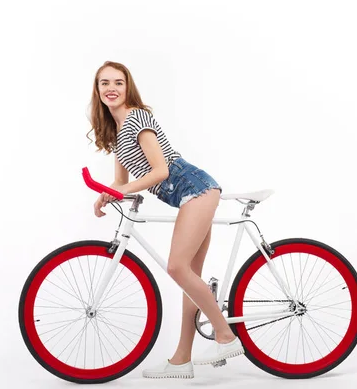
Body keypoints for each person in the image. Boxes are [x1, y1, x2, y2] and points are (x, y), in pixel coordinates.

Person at [86, 61, 244, 379]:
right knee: (190, 281)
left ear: (128, 86)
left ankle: (225, 335)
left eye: (118, 82)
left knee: (176, 268)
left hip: (195, 188)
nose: (111, 88)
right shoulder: (117, 131)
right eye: (105, 83)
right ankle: (181, 360)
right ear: (98, 89)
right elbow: (121, 181)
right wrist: (106, 193)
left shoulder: (137, 118)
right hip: (188, 197)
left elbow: (160, 171)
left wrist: (122, 190)